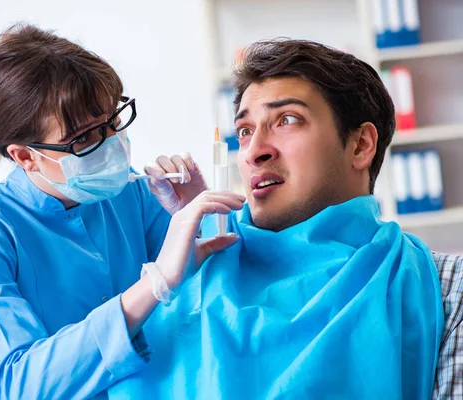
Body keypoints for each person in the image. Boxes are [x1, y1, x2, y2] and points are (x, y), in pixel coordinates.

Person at [107, 39, 451, 399]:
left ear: (361, 145)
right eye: (244, 131)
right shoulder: (182, 274)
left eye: (287, 120)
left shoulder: (446, 288)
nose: (255, 151)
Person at [0, 24, 244, 399]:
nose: (112, 144)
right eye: (83, 138)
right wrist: (154, 282)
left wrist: (202, 216)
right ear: (25, 156)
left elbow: (212, 293)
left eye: (112, 122)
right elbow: (15, 384)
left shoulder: (131, 192)